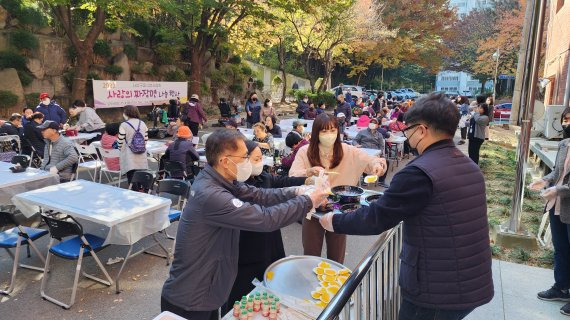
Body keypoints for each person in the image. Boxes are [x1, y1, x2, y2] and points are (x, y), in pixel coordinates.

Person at [319, 93, 494, 320]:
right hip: (470, 280)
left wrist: (334, 221)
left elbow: (376, 217)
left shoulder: (419, 172)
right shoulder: (468, 165)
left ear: (421, 130)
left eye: (408, 131)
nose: (407, 137)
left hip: (436, 290)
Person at [161, 129, 329, 320]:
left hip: (206, 291)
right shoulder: (211, 194)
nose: (247, 162)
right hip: (190, 298)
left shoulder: (221, 180)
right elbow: (265, 219)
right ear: (225, 161)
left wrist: (297, 191)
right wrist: (307, 201)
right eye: (243, 157)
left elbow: (259, 194)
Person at [224, 140, 310, 312]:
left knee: (271, 280)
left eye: (261, 158)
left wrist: (306, 179)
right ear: (243, 160)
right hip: (246, 246)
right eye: (255, 159)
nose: (260, 162)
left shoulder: (264, 177)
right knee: (243, 294)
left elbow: (283, 182)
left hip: (270, 239)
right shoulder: (236, 186)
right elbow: (261, 204)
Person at [289, 113, 387, 263]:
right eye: (324, 131)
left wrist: (376, 165)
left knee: (336, 255)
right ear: (316, 133)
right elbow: (293, 176)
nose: (329, 135)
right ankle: (311, 284)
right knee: (310, 254)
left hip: (339, 208)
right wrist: (308, 172)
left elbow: (370, 160)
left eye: (333, 131)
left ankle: (337, 284)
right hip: (312, 207)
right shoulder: (304, 151)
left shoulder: (348, 150)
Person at [529, 108, 570, 317]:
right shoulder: (564, 144)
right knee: (561, 249)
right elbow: (557, 172)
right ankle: (561, 287)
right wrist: (545, 180)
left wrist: (558, 189)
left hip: (564, 200)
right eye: (565, 119)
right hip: (557, 205)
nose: (566, 123)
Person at [117, 105, 149, 184]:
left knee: (131, 172)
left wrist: (120, 148)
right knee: (141, 171)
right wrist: (140, 146)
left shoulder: (124, 125)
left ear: (127, 113)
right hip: (141, 151)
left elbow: (120, 140)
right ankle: (142, 188)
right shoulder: (142, 123)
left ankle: (133, 188)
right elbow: (146, 139)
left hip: (129, 153)